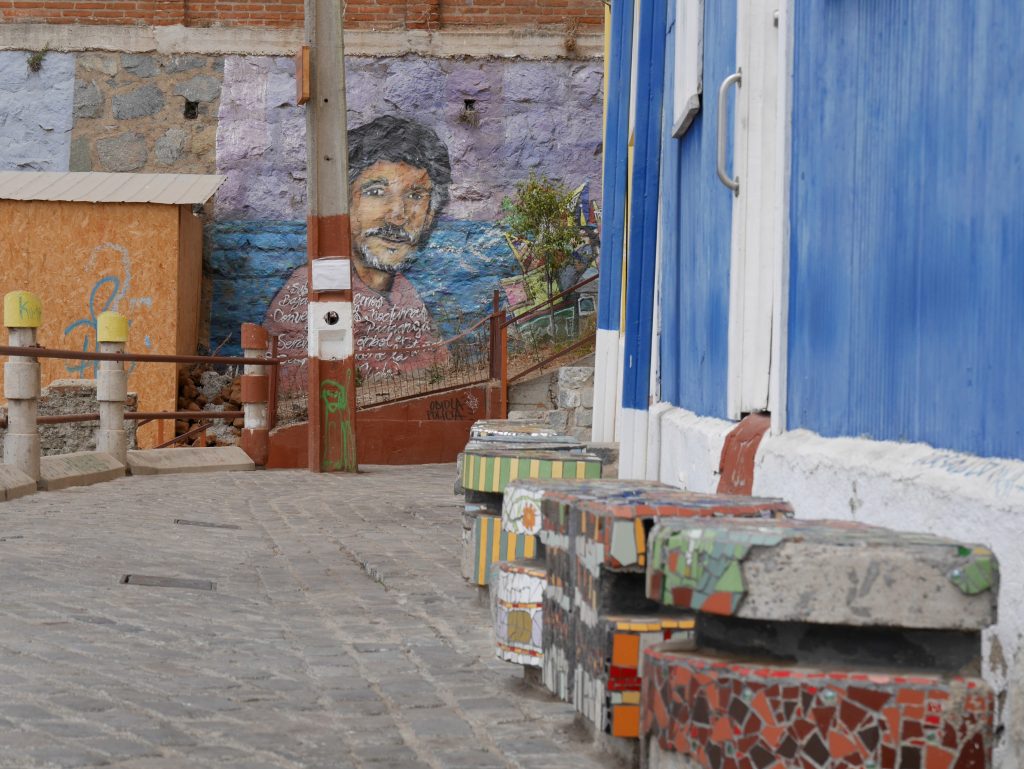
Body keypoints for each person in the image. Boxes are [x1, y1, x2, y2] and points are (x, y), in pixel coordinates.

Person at [264, 116, 452, 389]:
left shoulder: (405, 295)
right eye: (376, 192)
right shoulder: (307, 294)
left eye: (415, 195)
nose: (398, 216)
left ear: (431, 214)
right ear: (344, 205)